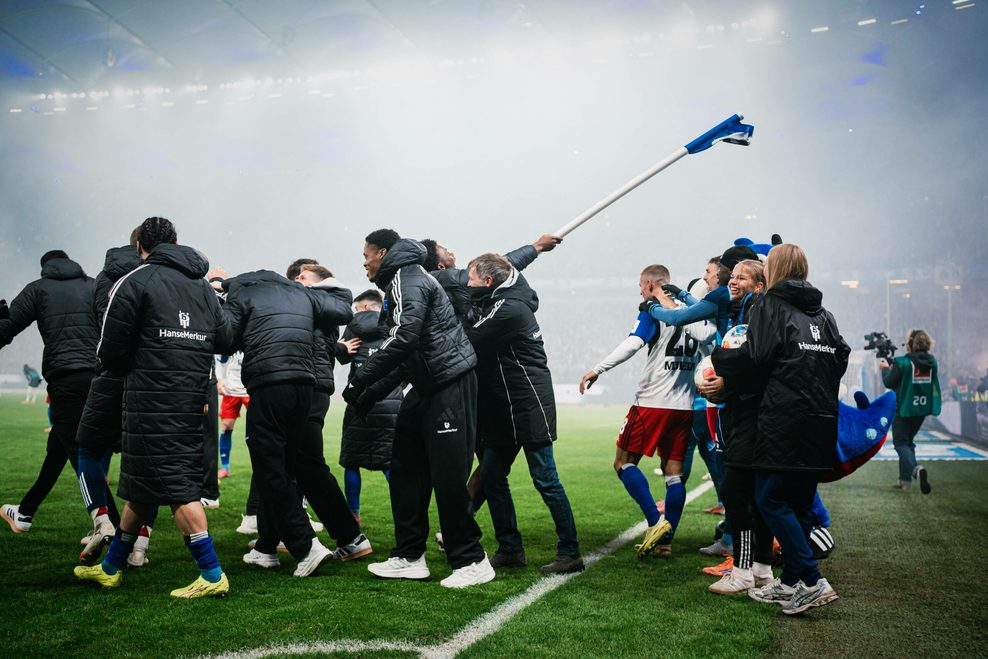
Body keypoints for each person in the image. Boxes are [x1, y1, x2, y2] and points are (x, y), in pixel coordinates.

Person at [74, 217, 233, 598]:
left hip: (149, 399)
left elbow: (109, 351)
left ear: (141, 246)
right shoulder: (202, 286)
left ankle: (212, 575)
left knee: (178, 487)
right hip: (191, 396)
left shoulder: (136, 280)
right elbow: (225, 337)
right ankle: (111, 567)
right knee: (141, 488)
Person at [345, 229, 493, 588]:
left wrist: (362, 377)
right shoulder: (400, 281)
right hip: (426, 386)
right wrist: (366, 395)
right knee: (405, 468)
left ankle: (472, 559)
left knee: (447, 475)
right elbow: (405, 356)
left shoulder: (406, 277)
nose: (363, 261)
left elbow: (403, 339)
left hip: (450, 382)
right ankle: (409, 556)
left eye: (366, 254)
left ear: (382, 252)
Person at [721, 244, 849, 614]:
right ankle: (791, 581)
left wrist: (720, 359)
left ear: (773, 270)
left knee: (770, 499)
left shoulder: (768, 305)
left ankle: (811, 579)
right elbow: (840, 356)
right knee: (800, 504)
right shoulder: (825, 314)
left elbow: (757, 358)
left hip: (784, 418)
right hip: (822, 419)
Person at [220, 260, 357, 576]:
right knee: (283, 467)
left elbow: (224, 340)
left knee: (272, 468)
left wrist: (219, 297)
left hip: (270, 383)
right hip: (304, 386)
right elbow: (343, 306)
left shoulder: (243, 294)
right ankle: (267, 547)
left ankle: (306, 546)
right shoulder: (300, 294)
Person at [580, 264, 710, 558]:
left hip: (651, 404)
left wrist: (597, 368)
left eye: (641, 286)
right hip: (685, 408)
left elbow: (634, 343)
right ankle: (665, 542)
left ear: (651, 284)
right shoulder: (694, 313)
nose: (640, 291)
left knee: (623, 463)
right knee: (673, 473)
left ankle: (654, 522)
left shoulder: (653, 310)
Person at [466, 253, 583, 573]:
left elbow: (471, 338)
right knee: (492, 476)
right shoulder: (504, 301)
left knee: (546, 479)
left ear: (488, 282)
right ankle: (510, 549)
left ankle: (570, 552)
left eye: (471, 279)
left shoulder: (509, 308)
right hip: (506, 408)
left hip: (529, 404)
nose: (467, 284)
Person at [1, 249, 98, 535]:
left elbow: (7, 328)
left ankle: (111, 527)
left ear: (46, 267)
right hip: (97, 378)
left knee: (80, 456)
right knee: (58, 449)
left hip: (65, 380)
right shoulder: (92, 285)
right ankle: (25, 513)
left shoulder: (38, 289)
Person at [698, 259, 776, 594]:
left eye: (742, 277)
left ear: (759, 285)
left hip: (749, 413)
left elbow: (753, 363)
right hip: (749, 411)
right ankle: (761, 569)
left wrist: (725, 381)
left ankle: (743, 572)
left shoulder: (756, 311)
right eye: (734, 276)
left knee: (735, 492)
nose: (734, 281)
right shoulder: (745, 311)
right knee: (754, 496)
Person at [76, 229, 148, 566]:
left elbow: (100, 324)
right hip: (149, 380)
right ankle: (138, 546)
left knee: (89, 449)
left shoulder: (106, 277)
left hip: (108, 374)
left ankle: (103, 520)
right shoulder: (157, 276)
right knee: (147, 462)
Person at [335, 288, 400, 525]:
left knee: (352, 461)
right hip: (391, 401)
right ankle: (404, 512)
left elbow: (341, 356)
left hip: (359, 400)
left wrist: (343, 349)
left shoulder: (353, 325)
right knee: (390, 461)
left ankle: (353, 515)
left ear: (363, 307)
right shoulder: (394, 321)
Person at [880, 329, 941, 494]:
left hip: (904, 410)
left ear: (910, 344)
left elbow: (889, 382)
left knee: (900, 443)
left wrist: (885, 368)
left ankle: (916, 470)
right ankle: (904, 480)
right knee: (908, 443)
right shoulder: (932, 362)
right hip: (920, 410)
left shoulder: (903, 363)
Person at [215, 351, 248, 480]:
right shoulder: (230, 337)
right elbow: (220, 360)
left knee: (259, 429)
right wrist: (219, 381)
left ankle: (263, 466)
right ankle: (225, 468)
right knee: (225, 427)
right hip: (230, 390)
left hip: (249, 389)